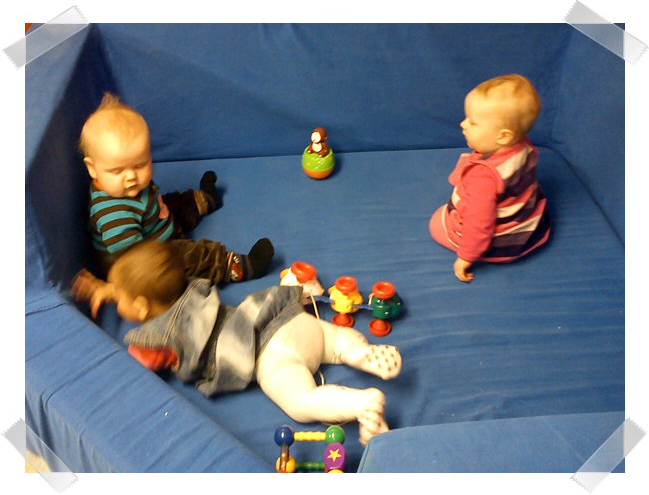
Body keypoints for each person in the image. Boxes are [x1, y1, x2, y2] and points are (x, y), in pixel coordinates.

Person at [72, 240, 402, 445]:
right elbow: (148, 281)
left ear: (141, 307)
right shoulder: (187, 286)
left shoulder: (154, 339)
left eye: (120, 298)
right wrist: (111, 288)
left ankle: (361, 403)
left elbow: (141, 361)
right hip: (286, 319)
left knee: (301, 401)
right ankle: (358, 351)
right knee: (331, 338)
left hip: (270, 357)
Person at [80, 92, 273, 284]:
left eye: (140, 165)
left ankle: (204, 200)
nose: (131, 177)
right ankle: (236, 267)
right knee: (189, 256)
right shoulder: (113, 215)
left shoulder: (127, 188)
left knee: (174, 203)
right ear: (92, 168)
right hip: (144, 268)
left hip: (156, 224)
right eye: (117, 171)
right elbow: (135, 263)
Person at [429, 74, 550, 282]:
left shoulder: (482, 176)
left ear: (503, 136)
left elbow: (479, 223)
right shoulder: (524, 147)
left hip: (501, 244)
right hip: (529, 229)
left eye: (473, 122)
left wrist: (466, 257)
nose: (463, 124)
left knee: (436, 222)